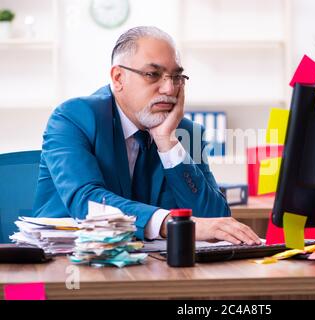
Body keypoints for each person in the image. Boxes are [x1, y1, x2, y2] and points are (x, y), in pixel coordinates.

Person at [33, 26, 260, 246]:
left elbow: (215, 220)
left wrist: (168, 143)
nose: (169, 89)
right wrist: (171, 223)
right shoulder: (74, 117)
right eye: (153, 75)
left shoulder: (185, 133)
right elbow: (87, 202)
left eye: (176, 77)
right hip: (61, 265)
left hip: (145, 268)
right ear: (118, 77)